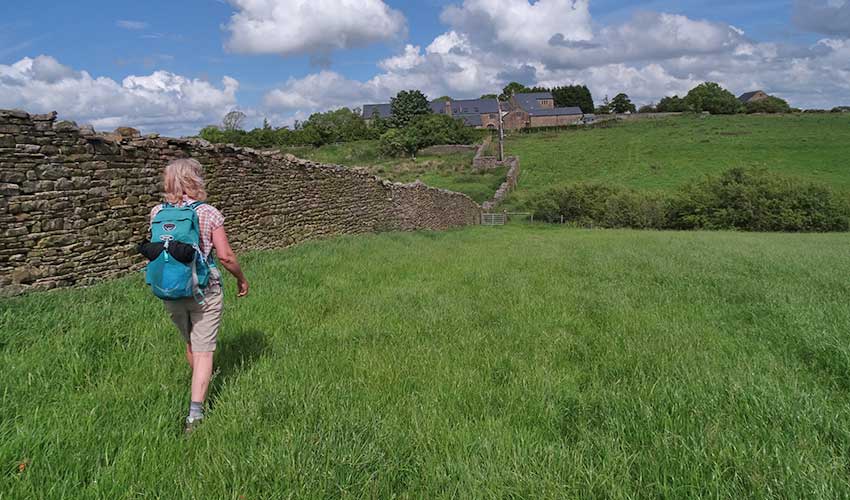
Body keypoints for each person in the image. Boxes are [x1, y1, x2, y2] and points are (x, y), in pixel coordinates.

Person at [150, 158, 249, 433]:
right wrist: (241, 279)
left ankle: (200, 383)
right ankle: (195, 415)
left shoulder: (157, 212)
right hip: (204, 289)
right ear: (196, 179)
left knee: (191, 342)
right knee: (204, 351)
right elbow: (226, 256)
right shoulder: (209, 213)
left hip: (169, 288)